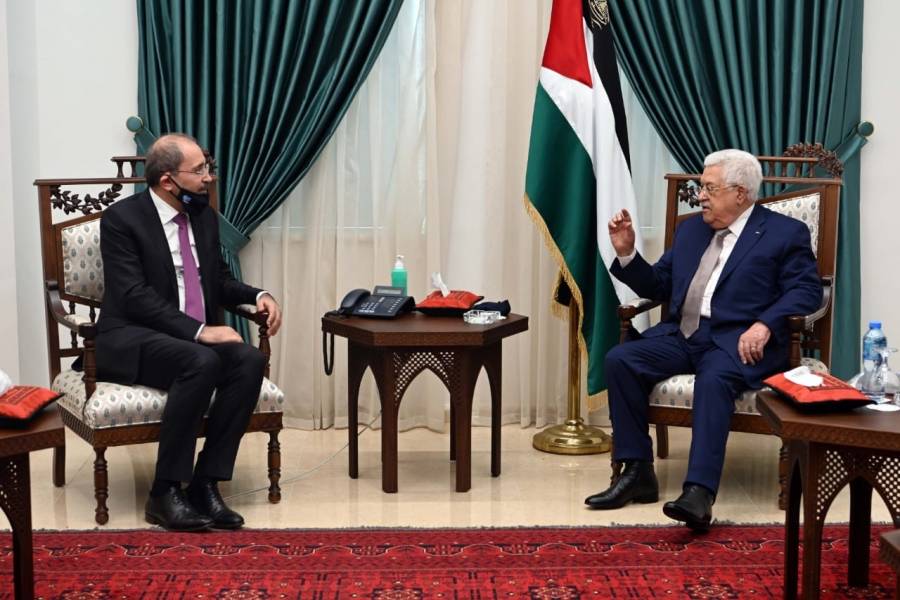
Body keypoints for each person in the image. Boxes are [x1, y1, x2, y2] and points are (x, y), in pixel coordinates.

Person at [584, 149, 822, 530]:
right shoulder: (691, 230)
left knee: (714, 380)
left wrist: (765, 324)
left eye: (710, 188)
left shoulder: (784, 233)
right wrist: (627, 254)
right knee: (621, 359)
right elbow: (659, 284)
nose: (700, 196)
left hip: (738, 340)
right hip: (684, 334)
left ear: (740, 193)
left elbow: (807, 291)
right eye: (701, 187)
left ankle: (698, 492)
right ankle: (637, 471)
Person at [96, 133, 283, 532]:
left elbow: (218, 280)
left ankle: (205, 484)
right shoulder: (121, 220)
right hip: (132, 335)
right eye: (199, 170)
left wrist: (258, 295)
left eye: (207, 167)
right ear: (168, 180)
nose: (209, 177)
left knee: (249, 360)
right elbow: (133, 296)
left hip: (184, 340)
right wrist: (200, 331)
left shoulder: (203, 217)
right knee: (201, 359)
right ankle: (164, 491)